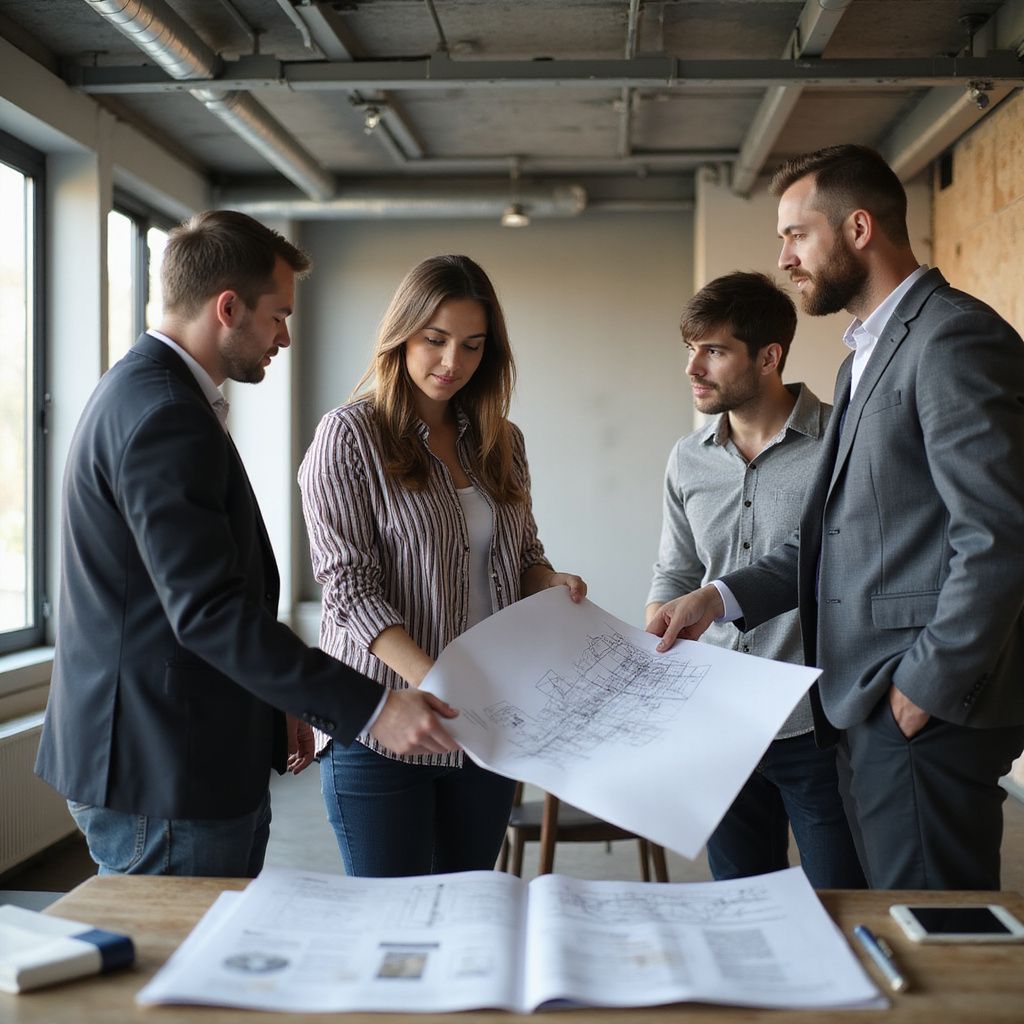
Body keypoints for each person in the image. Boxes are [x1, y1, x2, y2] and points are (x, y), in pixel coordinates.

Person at [35, 210, 459, 878]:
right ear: (228, 308)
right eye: (278, 316)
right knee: (184, 974)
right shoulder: (166, 414)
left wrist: (276, 700)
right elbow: (207, 610)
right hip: (164, 768)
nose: (285, 337)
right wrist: (371, 709)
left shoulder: (152, 392)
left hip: (170, 750)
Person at [648, 145, 1024, 890]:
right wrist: (715, 599)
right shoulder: (863, 359)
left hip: (919, 706)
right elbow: (830, 544)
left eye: (796, 234)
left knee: (934, 943)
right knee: (884, 932)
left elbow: (1001, 533)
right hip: (861, 708)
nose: (785, 257)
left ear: (858, 228)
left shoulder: (950, 337)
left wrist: (924, 688)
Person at [298, 254, 586, 877]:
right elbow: (348, 586)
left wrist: (549, 580)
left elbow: (524, 556)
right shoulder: (349, 437)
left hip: (484, 727)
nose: (452, 362)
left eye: (473, 346)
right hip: (383, 725)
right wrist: (437, 681)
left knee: (471, 915)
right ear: (401, 335)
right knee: (394, 927)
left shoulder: (501, 441)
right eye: (435, 340)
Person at [645, 271, 864, 888]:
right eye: (689, 349)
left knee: (841, 899)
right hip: (717, 723)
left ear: (769, 357)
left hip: (815, 722)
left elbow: (837, 561)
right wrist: (658, 621)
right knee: (741, 900)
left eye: (713, 351)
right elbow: (678, 568)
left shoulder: (839, 443)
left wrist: (710, 600)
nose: (693, 367)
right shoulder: (687, 457)